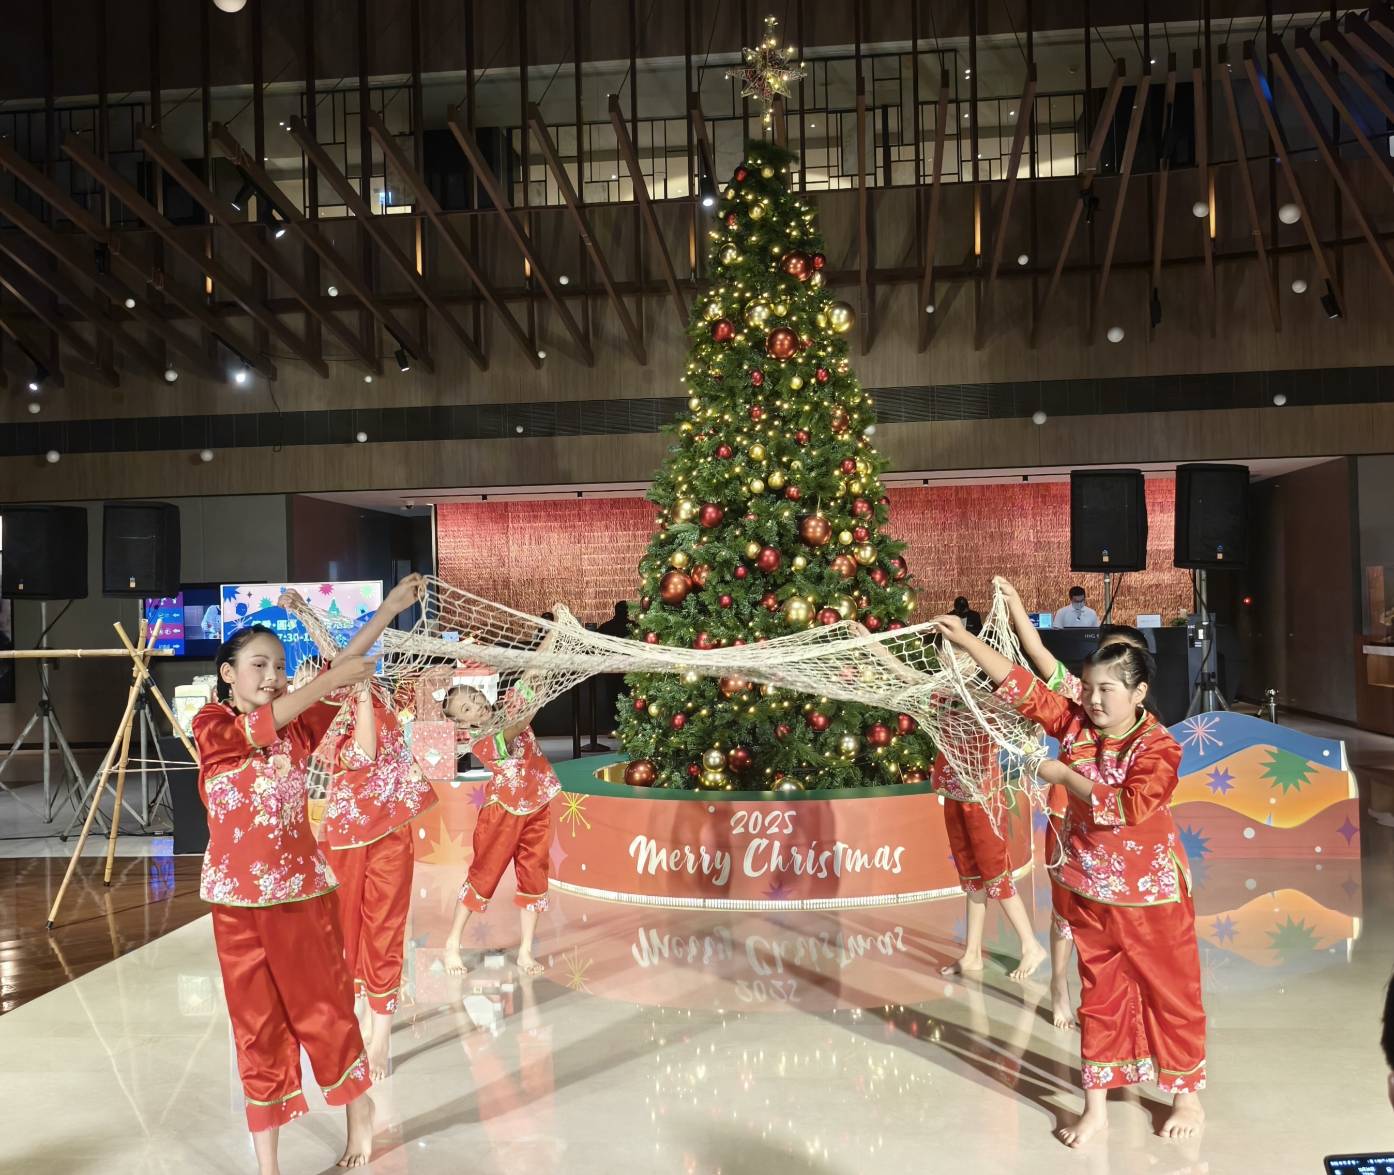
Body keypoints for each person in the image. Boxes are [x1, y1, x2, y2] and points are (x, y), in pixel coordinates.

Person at [932, 613, 1205, 1149]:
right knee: (1099, 998)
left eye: (1107, 690)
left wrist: (1063, 776)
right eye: (1088, 687)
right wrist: (967, 642)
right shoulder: (1075, 722)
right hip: (1087, 890)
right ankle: (1095, 1107)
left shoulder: (1159, 748)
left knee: (1171, 994)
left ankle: (1186, 1096)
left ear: (1138, 693)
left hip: (1151, 898)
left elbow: (1129, 807)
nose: (1094, 700)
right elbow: (1022, 687)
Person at [192, 624, 378, 1173]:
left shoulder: (297, 728)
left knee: (324, 1011)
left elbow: (337, 679)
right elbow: (266, 721)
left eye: (280, 666)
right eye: (259, 665)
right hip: (235, 905)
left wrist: (388, 612)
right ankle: (268, 1163)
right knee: (256, 1028)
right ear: (227, 673)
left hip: (300, 897)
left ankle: (360, 1111)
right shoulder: (211, 725)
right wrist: (328, 681)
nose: (273, 676)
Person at [288, 574, 436, 1084]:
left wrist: (304, 612)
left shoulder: (361, 694)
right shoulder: (319, 722)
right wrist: (362, 692)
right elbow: (364, 752)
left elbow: (341, 652)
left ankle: (381, 1033)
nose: (314, 676)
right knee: (346, 935)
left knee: (386, 931)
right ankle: (356, 1024)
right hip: (345, 839)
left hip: (391, 831)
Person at [995, 576, 1151, 1030]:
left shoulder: (1146, 729)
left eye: (1125, 659)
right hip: (1067, 817)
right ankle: (1060, 985)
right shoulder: (1074, 694)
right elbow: (1036, 652)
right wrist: (1016, 604)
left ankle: (1117, 995)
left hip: (1119, 832)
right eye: (1108, 653)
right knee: (1065, 911)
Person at [441, 620, 563, 979]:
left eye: (474, 699)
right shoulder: (483, 740)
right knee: (484, 876)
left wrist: (556, 633)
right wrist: (535, 695)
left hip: (537, 805)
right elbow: (519, 724)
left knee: (535, 875)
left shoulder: (509, 703)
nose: (475, 707)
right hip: (502, 814)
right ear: (462, 723)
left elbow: (533, 671)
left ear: (483, 694)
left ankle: (525, 951)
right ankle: (452, 943)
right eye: (465, 709)